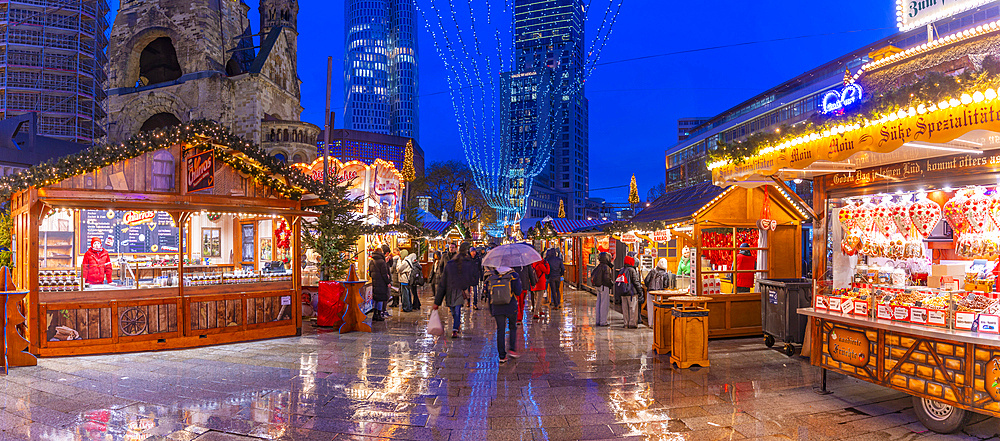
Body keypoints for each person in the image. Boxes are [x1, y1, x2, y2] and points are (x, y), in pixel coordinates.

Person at [434, 242, 473, 338]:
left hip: (459, 290)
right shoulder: (448, 262)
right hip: (449, 290)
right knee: (452, 309)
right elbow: (443, 280)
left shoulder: (465, 263)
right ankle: (457, 323)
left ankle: (455, 329)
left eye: (453, 247)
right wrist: (437, 302)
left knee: (457, 309)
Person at [488, 266, 522, 363]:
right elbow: (518, 292)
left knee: (500, 330)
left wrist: (492, 310)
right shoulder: (514, 275)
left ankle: (502, 356)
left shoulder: (493, 275)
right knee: (512, 327)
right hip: (510, 306)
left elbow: (489, 294)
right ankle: (512, 349)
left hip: (497, 307)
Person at [643, 258, 671, 329]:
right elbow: (665, 285)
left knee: (650, 308)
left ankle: (650, 323)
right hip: (659, 293)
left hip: (650, 292)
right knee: (657, 309)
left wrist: (649, 288)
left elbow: (646, 281)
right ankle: (657, 323)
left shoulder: (652, 271)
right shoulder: (665, 273)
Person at [618, 255, 643, 328]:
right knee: (633, 308)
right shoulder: (632, 270)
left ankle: (626, 323)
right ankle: (632, 324)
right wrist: (640, 291)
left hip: (623, 292)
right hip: (632, 293)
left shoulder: (622, 269)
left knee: (625, 309)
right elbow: (636, 282)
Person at [590, 252, 614, 326]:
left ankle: (598, 320)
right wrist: (611, 284)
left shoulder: (599, 266)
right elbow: (607, 278)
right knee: (604, 303)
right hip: (604, 286)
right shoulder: (606, 267)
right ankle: (603, 321)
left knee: (599, 303)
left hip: (598, 286)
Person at [368, 247, 391, 321]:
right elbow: (384, 274)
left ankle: (375, 314)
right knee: (380, 298)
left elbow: (370, 274)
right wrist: (388, 282)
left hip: (375, 282)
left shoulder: (371, 261)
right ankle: (379, 314)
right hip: (381, 283)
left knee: (376, 298)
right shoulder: (382, 262)